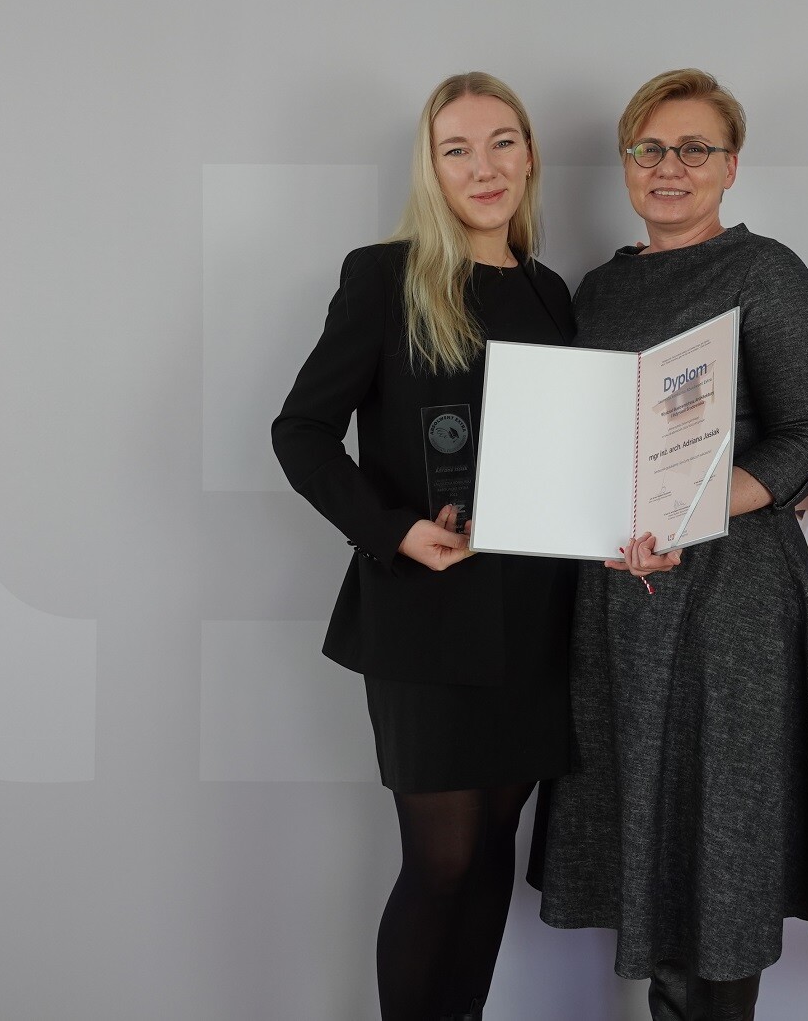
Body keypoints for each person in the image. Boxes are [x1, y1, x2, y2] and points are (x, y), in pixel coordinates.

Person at [530, 69, 808, 1020]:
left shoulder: (767, 273)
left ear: (731, 166)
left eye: (694, 149)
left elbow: (807, 438)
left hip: (732, 605)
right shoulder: (599, 288)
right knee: (653, 840)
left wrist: (687, 512)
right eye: (649, 149)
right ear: (626, 163)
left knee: (723, 848)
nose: (669, 167)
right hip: (621, 601)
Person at [271, 73, 576, 1021]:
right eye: (457, 149)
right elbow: (300, 432)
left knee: (491, 855)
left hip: (536, 617)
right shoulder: (386, 276)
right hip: (425, 611)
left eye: (502, 142)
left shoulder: (551, 292)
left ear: (530, 156)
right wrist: (394, 528)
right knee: (441, 860)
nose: (484, 167)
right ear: (431, 169)